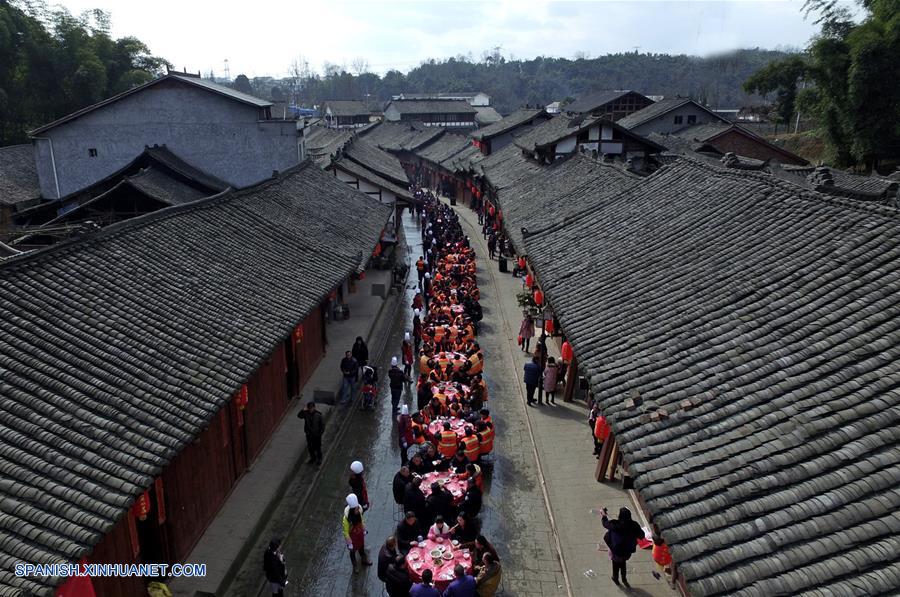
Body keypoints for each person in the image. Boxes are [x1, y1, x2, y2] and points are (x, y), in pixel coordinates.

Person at [601, 507, 644, 588]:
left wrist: (604, 515)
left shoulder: (615, 524)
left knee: (615, 564)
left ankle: (615, 578)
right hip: (627, 551)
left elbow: (605, 523)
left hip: (616, 550)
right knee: (623, 563)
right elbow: (642, 535)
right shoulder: (634, 525)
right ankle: (624, 579)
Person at [342, 494, 372, 571]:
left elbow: (361, 521)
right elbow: (345, 531)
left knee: (361, 547)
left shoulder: (359, 512)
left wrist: (364, 529)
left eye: (358, 508)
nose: (358, 510)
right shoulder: (346, 519)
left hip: (359, 535)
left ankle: (364, 560)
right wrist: (349, 543)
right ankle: (355, 565)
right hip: (352, 538)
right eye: (356, 509)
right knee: (352, 552)